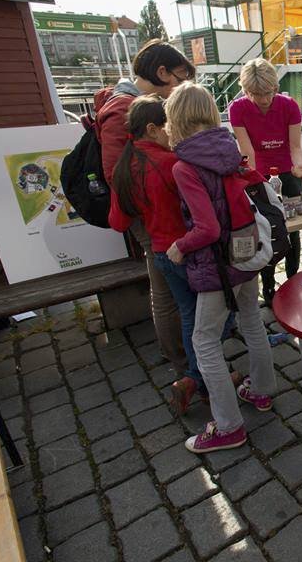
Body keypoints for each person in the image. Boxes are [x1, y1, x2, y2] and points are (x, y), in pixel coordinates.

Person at [108, 96, 239, 415]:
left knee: (188, 314)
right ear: (152, 129)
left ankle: (195, 379)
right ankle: (204, 379)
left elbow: (117, 222)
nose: (172, 132)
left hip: (160, 253)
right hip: (191, 252)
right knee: (217, 317)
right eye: (167, 126)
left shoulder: (123, 168)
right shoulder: (171, 164)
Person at [165, 83, 276, 453]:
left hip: (216, 267)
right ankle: (261, 391)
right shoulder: (229, 148)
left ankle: (228, 427)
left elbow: (207, 228)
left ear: (175, 119)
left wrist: (180, 247)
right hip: (246, 256)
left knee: (204, 341)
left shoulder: (185, 166)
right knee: (252, 320)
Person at [95, 39, 196, 376]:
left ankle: (191, 347)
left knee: (172, 285)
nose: (180, 88)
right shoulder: (122, 109)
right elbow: (115, 176)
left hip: (157, 210)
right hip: (150, 216)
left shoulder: (139, 105)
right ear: (161, 72)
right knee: (165, 288)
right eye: (179, 79)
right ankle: (180, 358)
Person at [228, 58, 302, 303]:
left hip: (287, 170)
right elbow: (247, 151)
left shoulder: (289, 105)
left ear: (275, 87)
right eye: (257, 94)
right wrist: (252, 179)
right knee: (265, 230)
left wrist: (298, 164)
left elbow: (295, 145)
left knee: (292, 229)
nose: (264, 99)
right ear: (245, 90)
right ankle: (269, 284)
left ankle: (294, 280)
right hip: (258, 173)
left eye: (268, 92)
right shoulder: (238, 109)